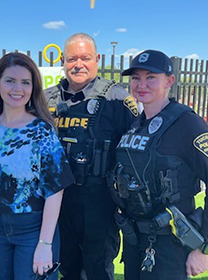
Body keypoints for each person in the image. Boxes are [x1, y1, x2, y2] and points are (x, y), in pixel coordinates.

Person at [112, 49, 208, 280]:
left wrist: (204, 247)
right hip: (134, 239)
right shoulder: (135, 125)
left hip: (171, 242)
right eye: (136, 78)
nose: (142, 84)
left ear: (169, 81)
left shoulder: (188, 124)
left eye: (151, 77)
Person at [44, 33, 138, 280]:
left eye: (85, 58)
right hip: (59, 199)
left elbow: (135, 149)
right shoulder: (46, 99)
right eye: (72, 59)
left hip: (100, 200)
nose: (78, 64)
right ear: (63, 60)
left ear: (96, 59)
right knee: (67, 264)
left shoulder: (116, 98)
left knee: (97, 267)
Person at [0, 52, 74, 279]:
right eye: (10, 80)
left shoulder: (42, 130)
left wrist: (45, 243)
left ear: (33, 88)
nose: (17, 88)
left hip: (32, 229)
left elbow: (56, 189)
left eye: (25, 82)